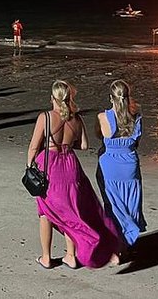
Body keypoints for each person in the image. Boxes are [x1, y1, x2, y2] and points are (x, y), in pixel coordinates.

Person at [27, 80, 121, 270]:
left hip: (50, 167)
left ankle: (46, 257)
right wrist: (67, 146)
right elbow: (84, 145)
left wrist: (30, 167)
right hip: (70, 166)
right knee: (70, 212)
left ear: (53, 98)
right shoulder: (76, 119)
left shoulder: (45, 117)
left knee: (46, 212)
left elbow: (33, 147)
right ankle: (70, 255)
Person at [96, 79, 147, 252]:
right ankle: (125, 241)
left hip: (110, 164)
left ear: (111, 98)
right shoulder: (136, 117)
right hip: (130, 164)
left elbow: (100, 135)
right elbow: (137, 142)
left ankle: (116, 243)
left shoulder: (103, 117)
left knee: (113, 205)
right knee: (130, 203)